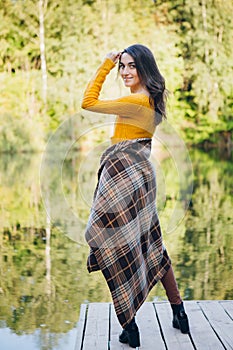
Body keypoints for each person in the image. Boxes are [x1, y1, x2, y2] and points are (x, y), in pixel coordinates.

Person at [81, 44, 189, 348]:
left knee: (112, 245)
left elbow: (87, 102)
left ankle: (130, 326)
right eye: (122, 66)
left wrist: (105, 63)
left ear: (145, 68)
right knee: (151, 241)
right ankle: (179, 310)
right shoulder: (152, 98)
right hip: (141, 173)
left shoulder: (134, 101)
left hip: (123, 177)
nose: (126, 72)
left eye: (132, 66)